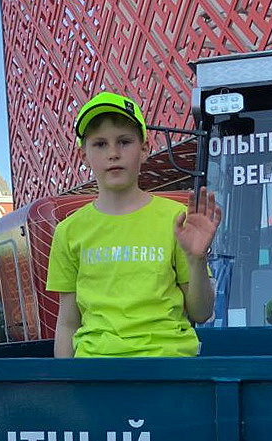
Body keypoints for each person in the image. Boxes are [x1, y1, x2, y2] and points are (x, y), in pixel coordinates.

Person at [46, 91, 221, 358]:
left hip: (169, 367)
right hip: (96, 371)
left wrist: (197, 260)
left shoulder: (177, 219)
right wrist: (66, 382)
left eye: (124, 142)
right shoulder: (68, 231)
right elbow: (68, 322)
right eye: (100, 144)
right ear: (84, 156)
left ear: (144, 149)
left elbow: (202, 312)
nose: (113, 153)